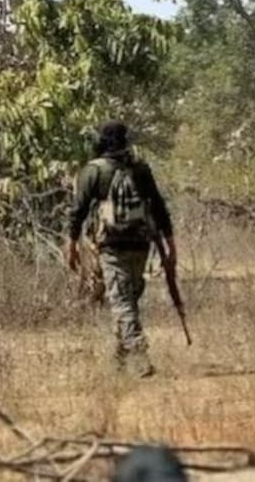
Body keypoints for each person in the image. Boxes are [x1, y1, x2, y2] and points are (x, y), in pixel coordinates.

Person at [66, 121, 175, 378]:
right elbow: (159, 208)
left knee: (121, 300)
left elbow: (78, 211)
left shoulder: (93, 171)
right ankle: (118, 360)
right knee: (128, 298)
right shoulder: (140, 169)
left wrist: (70, 243)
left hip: (111, 245)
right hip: (140, 243)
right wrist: (171, 246)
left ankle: (139, 357)